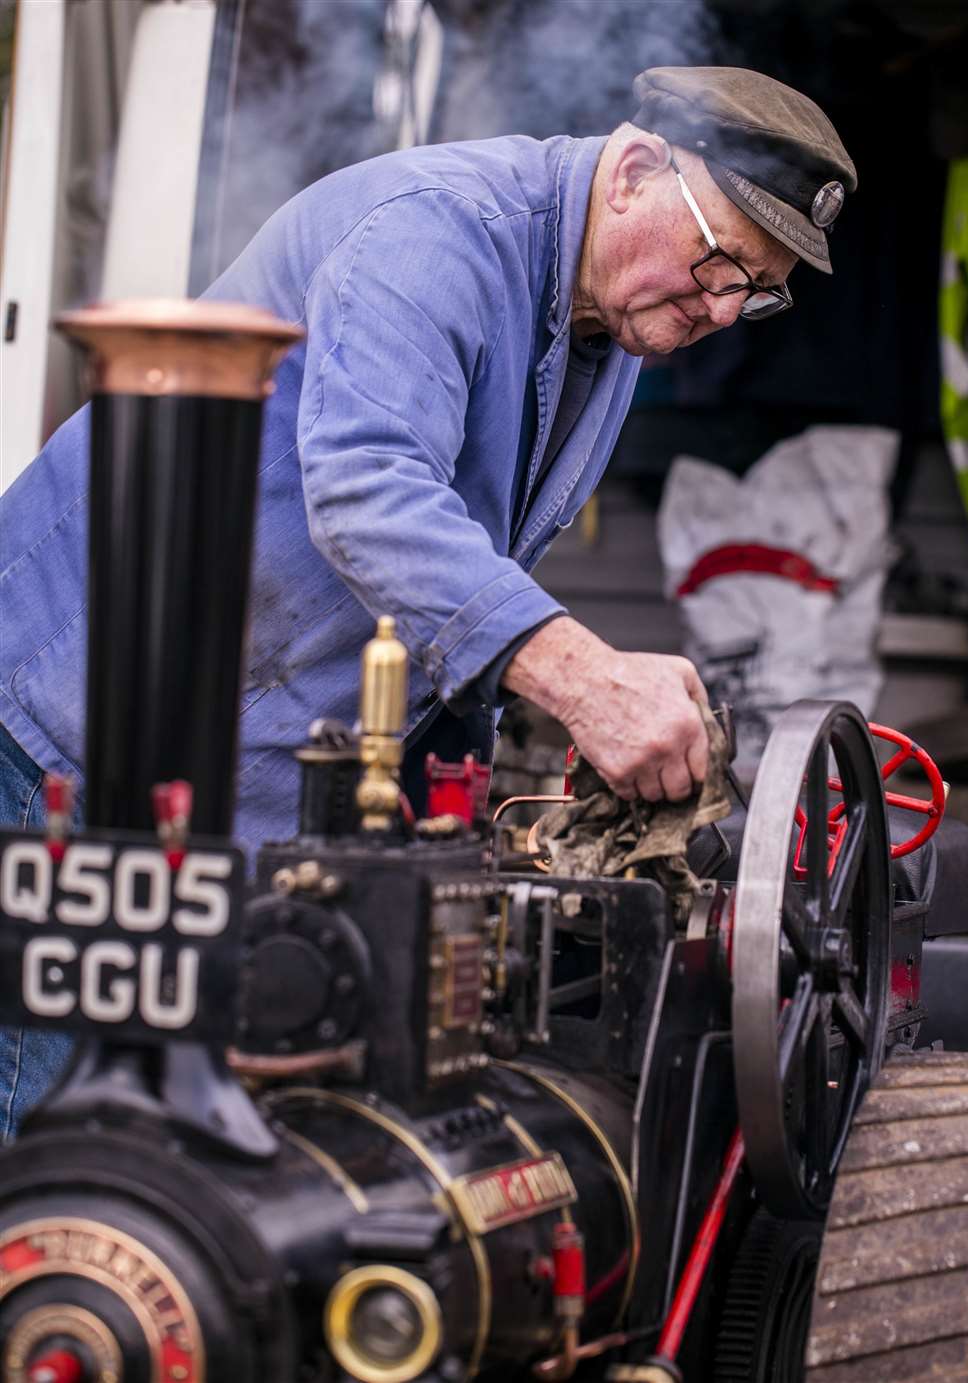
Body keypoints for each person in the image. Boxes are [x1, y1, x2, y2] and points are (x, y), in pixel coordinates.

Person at [0, 66, 856, 1136]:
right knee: (66, 1178)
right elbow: (370, 496)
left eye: (756, 290)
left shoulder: (620, 313)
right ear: (637, 170)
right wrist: (588, 680)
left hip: (234, 758)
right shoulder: (434, 234)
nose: (724, 308)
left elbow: (457, 557)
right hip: (67, 730)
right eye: (721, 261)